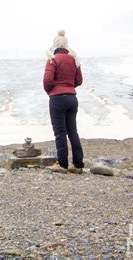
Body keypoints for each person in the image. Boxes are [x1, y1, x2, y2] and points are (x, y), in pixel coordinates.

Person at [43, 30, 84, 172]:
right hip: (72, 98)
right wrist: (69, 87)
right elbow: (79, 80)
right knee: (73, 131)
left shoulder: (52, 59)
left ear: (54, 44)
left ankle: (62, 165)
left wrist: (51, 91)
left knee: (60, 133)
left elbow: (47, 80)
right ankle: (78, 165)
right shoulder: (74, 59)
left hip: (57, 99)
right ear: (66, 45)